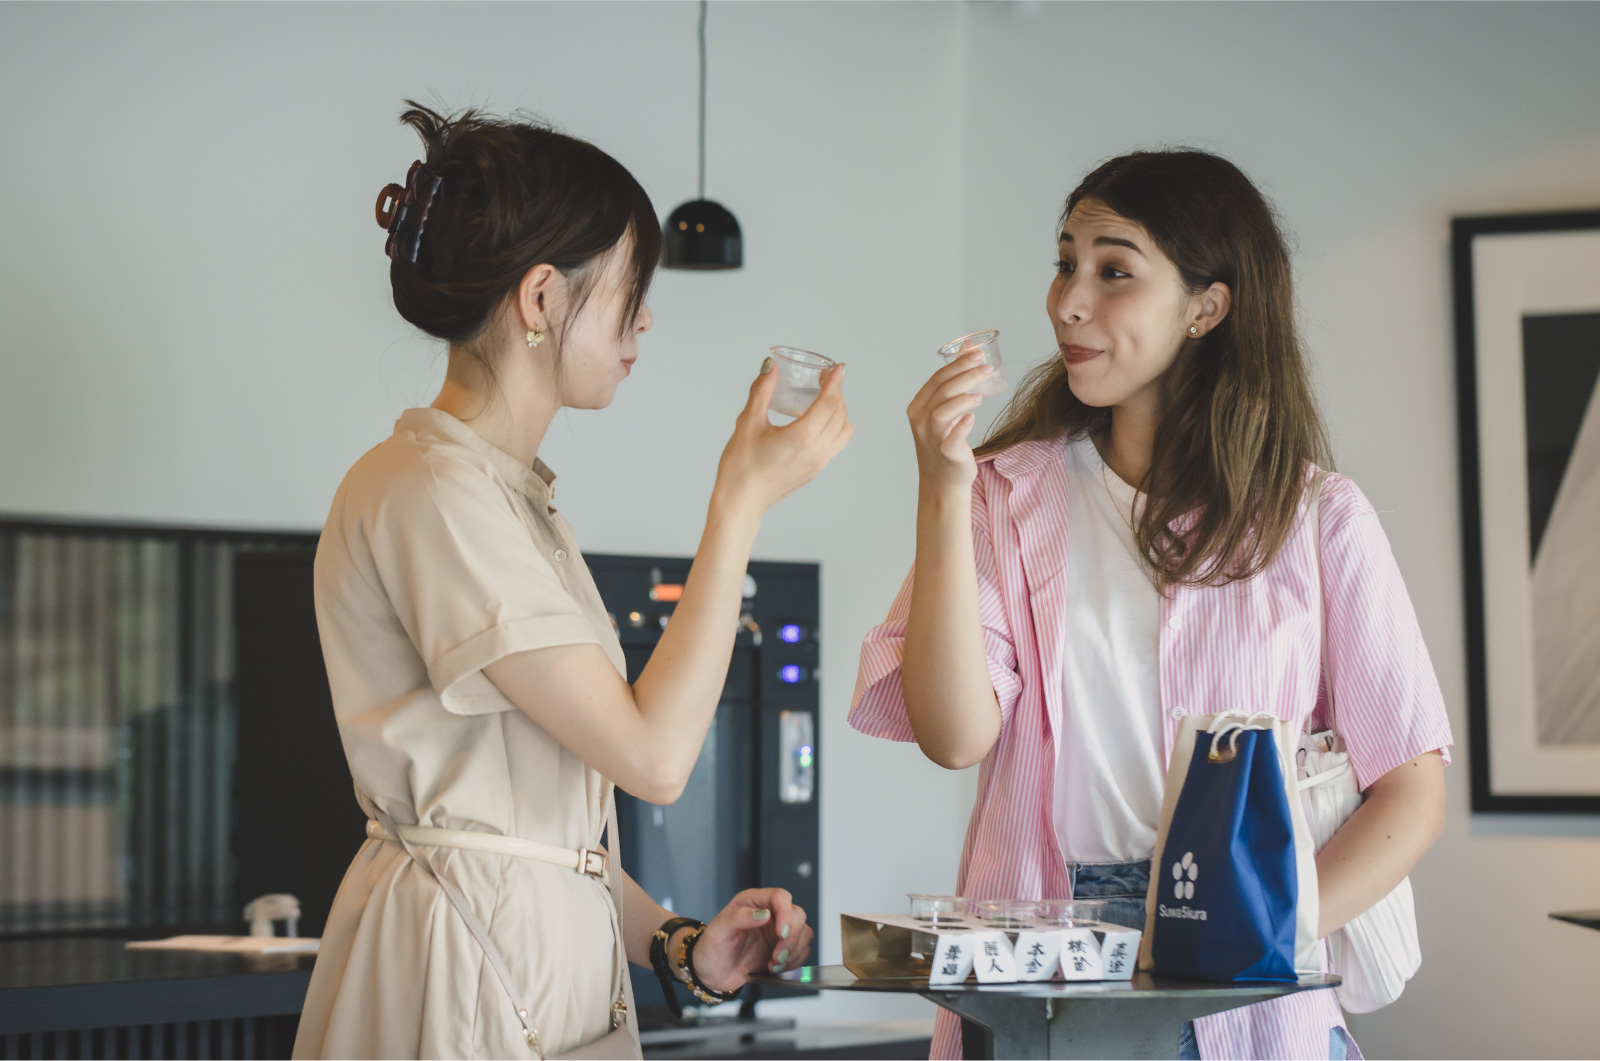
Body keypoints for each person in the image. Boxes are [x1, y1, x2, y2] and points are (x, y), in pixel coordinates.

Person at [850, 149, 1452, 1060]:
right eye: (1065, 262)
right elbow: (954, 735)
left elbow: (1411, 783)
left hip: (1249, 993)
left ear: (1208, 307)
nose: (1068, 301)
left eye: (1113, 270)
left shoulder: (1319, 519)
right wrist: (941, 484)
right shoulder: (1000, 497)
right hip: (1041, 978)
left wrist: (1271, 926)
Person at [295, 102, 848, 1059]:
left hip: (531, 958)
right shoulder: (431, 489)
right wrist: (741, 502)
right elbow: (655, 758)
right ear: (543, 298)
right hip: (460, 967)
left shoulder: (508, 496)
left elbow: (546, 832)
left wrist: (677, 943)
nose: (643, 322)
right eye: (631, 290)